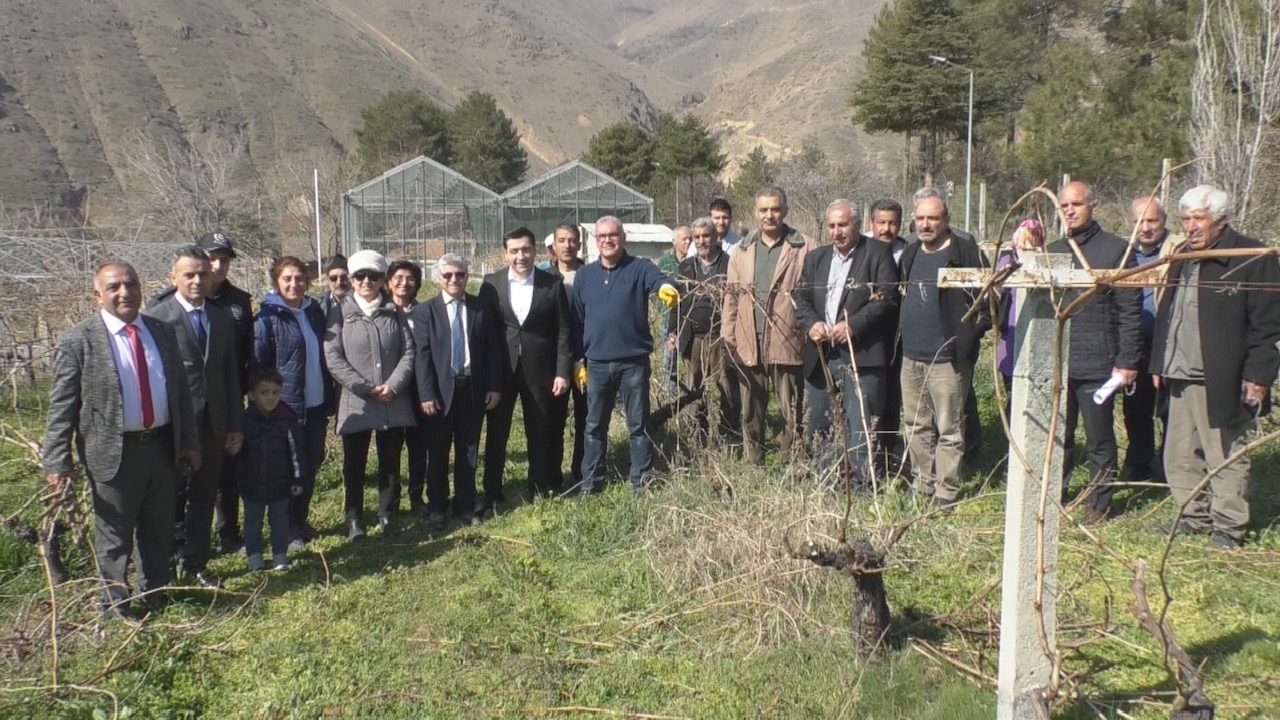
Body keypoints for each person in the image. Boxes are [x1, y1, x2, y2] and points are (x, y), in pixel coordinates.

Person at [43, 262, 200, 618]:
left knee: (158, 527)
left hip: (161, 447)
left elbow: (180, 394)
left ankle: (155, 593)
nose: (125, 292)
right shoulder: (79, 341)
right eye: (114, 287)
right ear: (97, 295)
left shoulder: (161, 332)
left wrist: (190, 443)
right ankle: (114, 604)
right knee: (114, 535)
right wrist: (56, 460)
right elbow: (62, 406)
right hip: (113, 453)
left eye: (131, 284)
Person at [1150, 185, 1280, 549]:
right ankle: (1193, 516)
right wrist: (1160, 360)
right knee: (1179, 453)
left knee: (1225, 454)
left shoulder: (1251, 257)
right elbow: (1168, 311)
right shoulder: (1182, 255)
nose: (1190, 227)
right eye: (1185, 219)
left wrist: (1258, 376)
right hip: (1180, 371)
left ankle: (1229, 526)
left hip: (1222, 376)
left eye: (1199, 219)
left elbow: (1268, 326)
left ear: (1221, 221)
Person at [143, 246, 243, 589]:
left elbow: (230, 374)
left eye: (203, 273)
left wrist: (235, 424)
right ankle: (165, 565)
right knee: (168, 497)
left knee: (204, 495)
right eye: (189, 274)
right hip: (171, 425)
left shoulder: (221, 317)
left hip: (213, 424)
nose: (198, 280)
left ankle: (196, 562)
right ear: (173, 277)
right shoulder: (156, 317)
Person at [1047, 181, 1144, 524]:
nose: (1069, 211)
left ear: (1093, 206)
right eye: (1064, 206)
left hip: (1098, 364)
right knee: (1058, 435)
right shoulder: (1053, 251)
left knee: (1099, 439)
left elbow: (1131, 312)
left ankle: (1098, 504)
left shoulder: (1116, 251)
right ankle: (1055, 496)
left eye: (1076, 204)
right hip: (1058, 362)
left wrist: (1127, 361)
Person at [794, 201, 900, 487]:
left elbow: (887, 297)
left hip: (862, 356)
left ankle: (864, 486)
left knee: (861, 424)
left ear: (857, 224)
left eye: (842, 225)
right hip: (821, 356)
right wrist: (812, 324)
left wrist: (854, 325)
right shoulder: (815, 258)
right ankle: (828, 480)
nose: (836, 232)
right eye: (831, 226)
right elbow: (800, 297)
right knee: (820, 422)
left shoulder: (877, 253)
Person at [571, 216, 679, 493]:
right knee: (594, 427)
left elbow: (659, 280)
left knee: (638, 426)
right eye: (602, 236)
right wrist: (578, 360)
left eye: (613, 235)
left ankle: (641, 483)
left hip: (633, 364)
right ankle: (591, 483)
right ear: (595, 241)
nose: (608, 240)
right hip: (596, 364)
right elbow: (577, 321)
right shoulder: (584, 276)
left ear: (623, 238)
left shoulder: (640, 268)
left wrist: (666, 287)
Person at [897, 193, 989, 508]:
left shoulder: (966, 252)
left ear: (946, 220)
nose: (926, 224)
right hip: (912, 355)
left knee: (949, 428)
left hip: (948, 359)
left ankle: (946, 491)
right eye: (921, 218)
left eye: (933, 218)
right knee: (915, 424)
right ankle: (922, 483)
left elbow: (989, 301)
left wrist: (968, 336)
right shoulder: (910, 253)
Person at [324, 250, 416, 540]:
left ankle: (387, 514)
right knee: (354, 462)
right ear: (352, 280)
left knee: (390, 460)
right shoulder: (340, 312)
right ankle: (354, 518)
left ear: (382, 281)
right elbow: (333, 356)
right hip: (357, 400)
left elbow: (408, 351)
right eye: (360, 276)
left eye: (373, 276)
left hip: (391, 398)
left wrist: (393, 385)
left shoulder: (394, 311)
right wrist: (364, 387)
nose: (367, 282)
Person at [721, 187, 815, 464]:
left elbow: (814, 295)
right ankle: (754, 464)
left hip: (788, 340)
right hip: (749, 340)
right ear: (755, 213)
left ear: (785, 211)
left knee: (791, 410)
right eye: (763, 210)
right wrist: (728, 337)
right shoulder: (742, 249)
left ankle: (792, 464)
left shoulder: (804, 246)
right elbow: (731, 296)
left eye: (775, 209)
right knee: (751, 410)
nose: (769, 215)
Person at [480, 228, 572, 505]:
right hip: (502, 371)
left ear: (535, 250)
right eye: (514, 251)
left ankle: (538, 487)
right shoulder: (491, 284)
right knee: (497, 433)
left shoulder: (552, 284)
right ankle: (492, 491)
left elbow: (563, 331)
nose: (521, 256)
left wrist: (562, 371)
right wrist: (487, 376)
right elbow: (485, 332)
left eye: (526, 249)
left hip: (540, 370)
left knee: (539, 429)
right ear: (505, 253)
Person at [412, 254, 503, 528]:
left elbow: (493, 350)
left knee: (468, 450)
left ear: (467, 276)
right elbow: (422, 355)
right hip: (440, 393)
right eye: (448, 275)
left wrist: (494, 387)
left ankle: (465, 504)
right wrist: (426, 393)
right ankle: (437, 506)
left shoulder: (481, 308)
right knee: (438, 451)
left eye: (460, 274)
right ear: (438, 278)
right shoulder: (425, 311)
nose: (454, 279)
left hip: (472, 390)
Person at [253, 256, 331, 550]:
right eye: (287, 278)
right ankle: (285, 528)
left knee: (309, 465)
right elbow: (259, 367)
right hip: (284, 409)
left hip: (315, 404)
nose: (294, 284)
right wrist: (267, 407)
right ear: (277, 282)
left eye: (299, 278)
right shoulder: (267, 319)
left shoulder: (313, 312)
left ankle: (300, 519)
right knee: (285, 469)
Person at [189, 231, 253, 555]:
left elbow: (247, 353)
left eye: (224, 260)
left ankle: (229, 532)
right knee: (189, 474)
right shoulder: (176, 302)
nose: (217, 266)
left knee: (228, 471)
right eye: (211, 259)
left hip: (228, 399)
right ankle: (185, 541)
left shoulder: (239, 302)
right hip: (189, 404)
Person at [670, 216, 735, 440]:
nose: (701, 241)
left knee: (727, 387)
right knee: (694, 390)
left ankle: (729, 435)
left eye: (705, 236)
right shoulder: (687, 266)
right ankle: (697, 436)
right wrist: (673, 331)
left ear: (715, 237)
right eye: (696, 237)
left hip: (721, 336)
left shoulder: (729, 264)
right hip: (693, 338)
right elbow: (677, 301)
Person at [237, 367, 305, 571]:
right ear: (251, 395)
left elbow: (296, 453)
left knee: (279, 522)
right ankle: (254, 556)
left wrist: (298, 479)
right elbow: (236, 455)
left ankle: (279, 555)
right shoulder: (243, 421)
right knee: (252, 523)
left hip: (280, 484)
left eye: (275, 393)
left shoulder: (287, 420)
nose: (270, 397)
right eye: (264, 392)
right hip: (251, 485)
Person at [1124, 196, 1172, 483]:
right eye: (1138, 221)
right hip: (1135, 343)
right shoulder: (1124, 254)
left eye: (1152, 220)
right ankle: (1139, 464)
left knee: (1169, 407)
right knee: (1136, 407)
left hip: (1168, 342)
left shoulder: (1177, 251)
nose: (1145, 228)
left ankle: (1169, 467)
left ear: (1164, 220)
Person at [545, 223, 589, 489]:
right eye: (562, 240)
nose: (567, 245)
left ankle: (582, 472)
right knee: (554, 420)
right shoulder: (545, 278)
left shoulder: (591, 275)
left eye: (572, 240)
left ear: (579, 245)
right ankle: (552, 476)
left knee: (586, 419)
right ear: (554, 245)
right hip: (556, 361)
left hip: (586, 358)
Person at [866, 199, 909, 467]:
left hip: (900, 337)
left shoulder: (909, 252)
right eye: (881, 222)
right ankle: (865, 455)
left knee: (893, 398)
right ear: (871, 223)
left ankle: (887, 454)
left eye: (892, 223)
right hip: (867, 337)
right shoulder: (861, 250)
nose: (886, 229)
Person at [386, 258, 430, 514]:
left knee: (418, 447)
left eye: (410, 278)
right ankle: (390, 501)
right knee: (391, 449)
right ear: (389, 282)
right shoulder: (381, 312)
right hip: (390, 390)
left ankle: (416, 497)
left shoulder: (423, 312)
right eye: (399, 278)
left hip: (418, 389)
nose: (404, 283)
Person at [995, 220, 1047, 397]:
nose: (1028, 250)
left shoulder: (1047, 264)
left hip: (1039, 333)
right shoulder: (1007, 262)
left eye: (1034, 244)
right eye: (1024, 245)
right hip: (1011, 331)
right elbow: (995, 291)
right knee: (1013, 390)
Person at [658, 227, 692, 396]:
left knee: (691, 362)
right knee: (670, 362)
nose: (688, 242)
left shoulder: (694, 262)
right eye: (684, 238)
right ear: (674, 242)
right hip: (669, 321)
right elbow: (656, 289)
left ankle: (691, 397)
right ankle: (671, 398)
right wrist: (662, 309)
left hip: (690, 321)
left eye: (690, 238)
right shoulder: (665, 263)